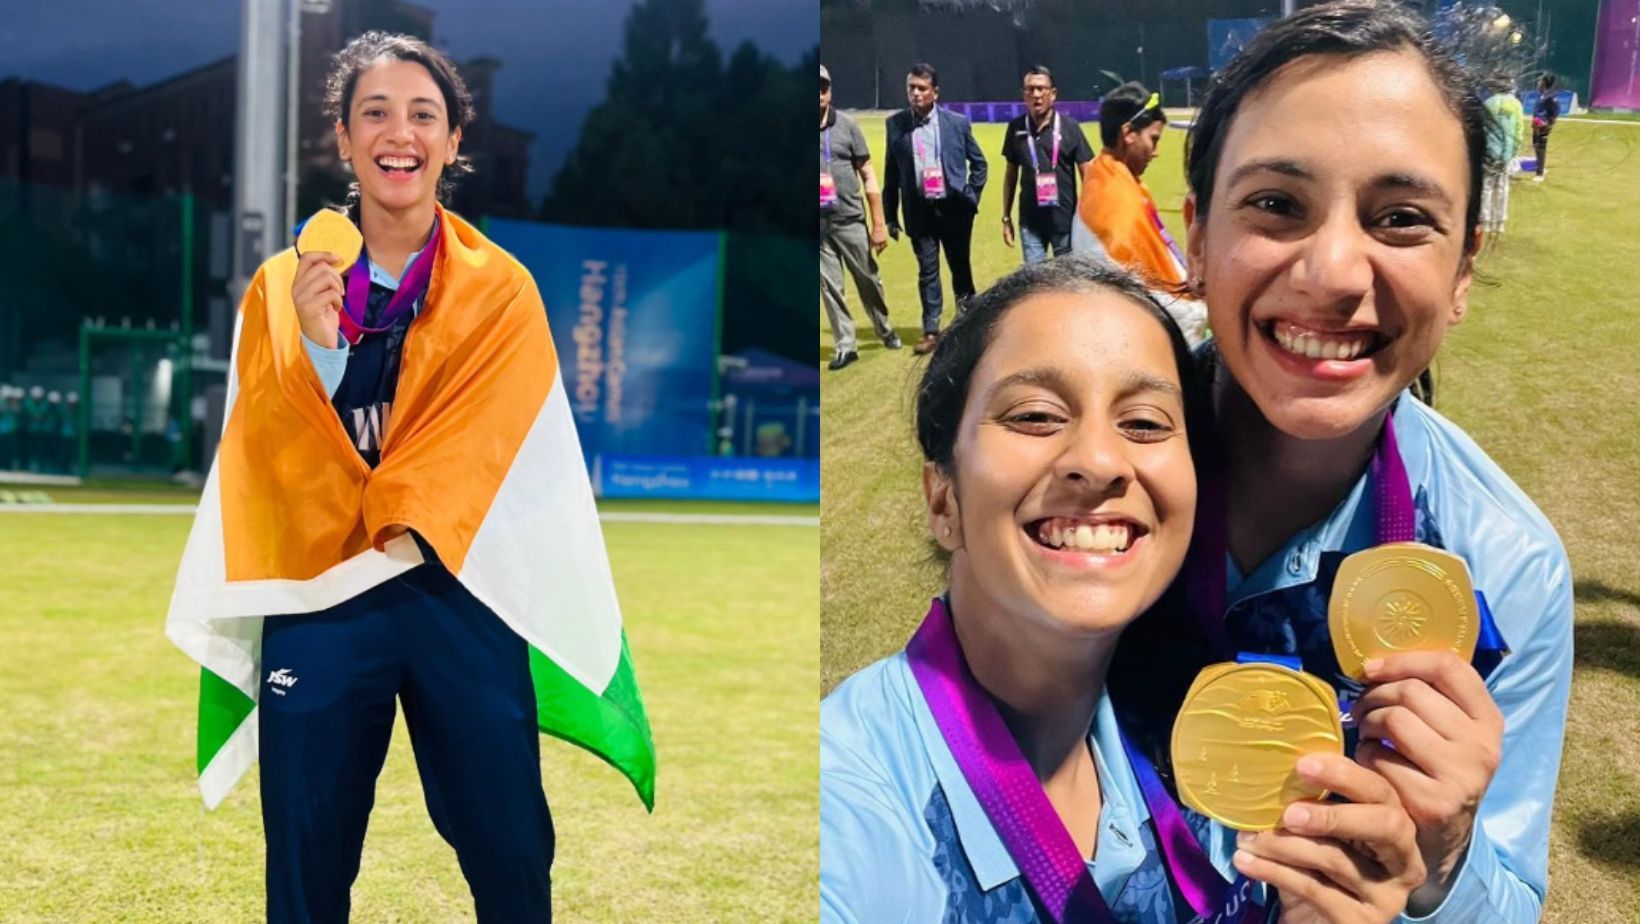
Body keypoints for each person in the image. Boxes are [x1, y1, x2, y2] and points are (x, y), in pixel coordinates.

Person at [165, 31, 653, 923]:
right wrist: (314, 350)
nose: (401, 132)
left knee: (510, 849)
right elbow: (261, 457)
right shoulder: (280, 288)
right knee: (307, 858)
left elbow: (491, 452)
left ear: (454, 140)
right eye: (376, 113)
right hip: (319, 598)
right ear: (344, 140)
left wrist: (382, 499)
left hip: (456, 590)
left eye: (424, 114)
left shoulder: (499, 290)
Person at [821, 259, 1427, 922]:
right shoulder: (844, 800)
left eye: (1143, 424)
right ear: (943, 498)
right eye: (1035, 415)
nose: (1100, 461)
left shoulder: (1215, 754)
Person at [1170, 2, 1570, 919]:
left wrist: (1441, 866)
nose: (1335, 271)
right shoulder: (1077, 497)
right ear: (1196, 235)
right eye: (1276, 204)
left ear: (1465, 268)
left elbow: (1509, 901)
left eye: (1399, 218)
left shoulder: (1506, 568)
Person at [1073, 83, 1207, 346]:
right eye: (1153, 139)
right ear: (1128, 134)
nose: (1156, 152)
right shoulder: (1114, 198)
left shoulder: (1109, 178)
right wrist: (1199, 310)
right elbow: (1137, 290)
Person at [884, 63, 987, 355]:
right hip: (919, 211)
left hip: (954, 209)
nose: (915, 94)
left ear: (935, 92)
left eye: (922, 88)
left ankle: (969, 324)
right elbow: (891, 174)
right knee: (927, 272)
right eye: (911, 88)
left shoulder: (957, 123)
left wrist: (971, 197)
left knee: (960, 268)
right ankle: (931, 331)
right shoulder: (896, 125)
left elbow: (979, 163)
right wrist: (890, 215)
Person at [820, 63, 900, 372]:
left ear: (830, 90)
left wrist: (878, 224)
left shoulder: (847, 127)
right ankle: (846, 345)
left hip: (849, 219)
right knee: (829, 287)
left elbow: (867, 174)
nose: (818, 94)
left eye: (822, 87)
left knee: (867, 279)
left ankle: (883, 327)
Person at [1000, 66, 1094, 264]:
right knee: (1036, 285)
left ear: (1053, 94)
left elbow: (1089, 175)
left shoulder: (1070, 127)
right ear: (1024, 95)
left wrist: (1090, 218)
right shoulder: (1016, 128)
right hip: (1031, 223)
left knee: (1066, 284)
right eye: (1030, 89)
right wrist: (1006, 217)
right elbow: (1010, 177)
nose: (1036, 95)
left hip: (1065, 222)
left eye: (1042, 89)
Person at [1481, 77, 1525, 234]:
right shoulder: (1516, 105)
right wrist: (1514, 151)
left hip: (1489, 152)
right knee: (1502, 187)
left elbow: (1483, 130)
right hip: (1506, 152)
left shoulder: (1488, 103)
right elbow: (1519, 130)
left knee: (1487, 186)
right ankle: (1499, 222)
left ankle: (1485, 220)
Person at [1530, 73, 1559, 183]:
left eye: (1541, 81)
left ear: (1545, 83)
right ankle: (1539, 166)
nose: (1538, 83)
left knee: (1541, 147)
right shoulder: (1542, 94)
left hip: (1543, 125)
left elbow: (1555, 112)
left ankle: (1540, 173)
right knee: (1535, 145)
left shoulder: (1551, 97)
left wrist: (1548, 124)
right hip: (1537, 124)